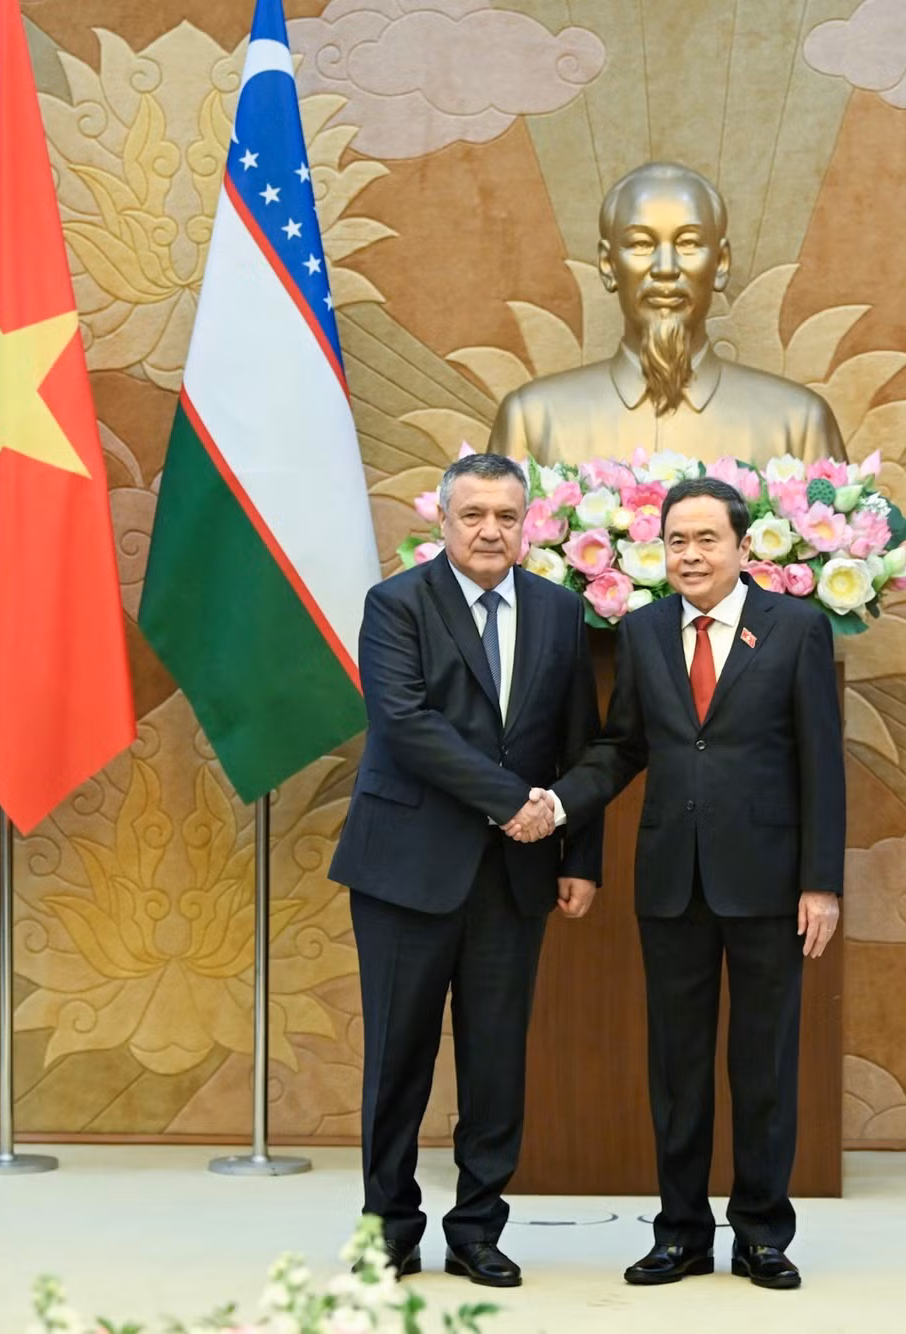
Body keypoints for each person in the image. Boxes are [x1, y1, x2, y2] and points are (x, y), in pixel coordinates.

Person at [544, 476, 845, 1290]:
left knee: (764, 1063)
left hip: (769, 883)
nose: (690, 554)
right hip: (672, 879)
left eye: (708, 539)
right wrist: (559, 803)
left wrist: (820, 882)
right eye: (676, 540)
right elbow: (623, 746)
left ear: (744, 548)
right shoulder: (643, 631)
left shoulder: (796, 628)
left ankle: (762, 1234)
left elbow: (822, 761)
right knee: (678, 1068)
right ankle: (680, 1232)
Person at [327, 453, 601, 1288]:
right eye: (473, 514)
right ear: (443, 521)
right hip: (405, 871)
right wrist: (513, 802)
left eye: (506, 516)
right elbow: (405, 723)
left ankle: (478, 1229)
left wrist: (580, 855)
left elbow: (578, 741)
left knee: (495, 1062)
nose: (489, 531)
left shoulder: (560, 611)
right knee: (397, 1058)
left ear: (528, 526)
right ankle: (388, 1228)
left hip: (514, 878)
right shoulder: (396, 604)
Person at [487, 161, 844, 466]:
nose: (665, 268)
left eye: (688, 243)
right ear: (608, 265)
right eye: (641, 244)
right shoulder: (532, 421)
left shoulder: (799, 424)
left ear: (720, 263)